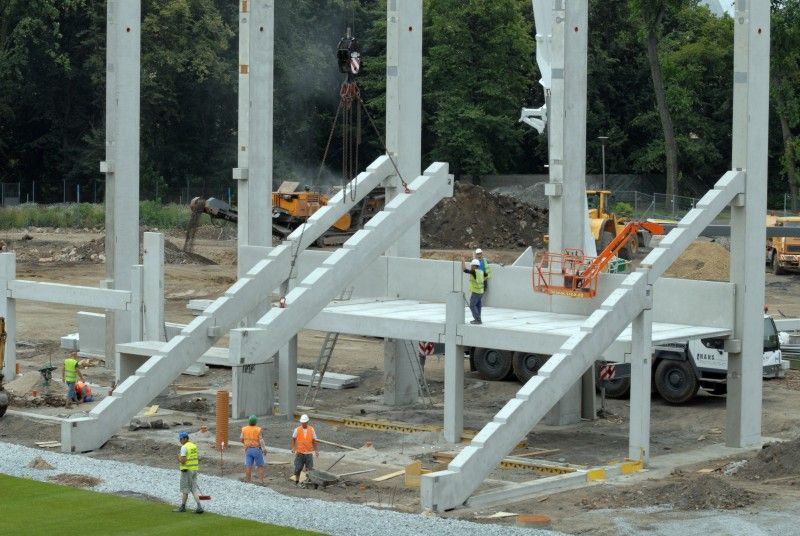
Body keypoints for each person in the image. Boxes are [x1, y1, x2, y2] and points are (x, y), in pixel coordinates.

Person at [174, 431, 204, 514]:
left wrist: (178, 457)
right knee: (193, 488)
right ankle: (198, 506)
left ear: (185, 438)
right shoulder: (193, 445)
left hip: (186, 470)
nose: (180, 441)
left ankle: (183, 507)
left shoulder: (184, 447)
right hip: (194, 469)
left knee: (185, 489)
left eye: (180, 439)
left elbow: (183, 461)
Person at [291, 414, 319, 486]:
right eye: (302, 423)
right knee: (298, 468)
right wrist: (293, 447)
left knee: (309, 469)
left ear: (307, 422)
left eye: (304, 422)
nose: (303, 424)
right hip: (300, 452)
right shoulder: (297, 429)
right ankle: (297, 481)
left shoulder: (311, 429)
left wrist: (316, 450)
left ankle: (308, 482)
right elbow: (293, 438)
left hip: (308, 453)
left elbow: (314, 441)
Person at [240, 415, 267, 484]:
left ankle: (248, 481)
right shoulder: (258, 429)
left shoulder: (244, 429)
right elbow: (261, 440)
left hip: (248, 449)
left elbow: (241, 439)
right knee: (260, 466)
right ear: (256, 422)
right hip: (257, 449)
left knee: (248, 465)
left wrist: (246, 444)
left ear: (249, 421)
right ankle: (261, 481)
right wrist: (264, 449)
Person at [461, 258, 485, 324]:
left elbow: (464, 270)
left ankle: (477, 320)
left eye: (472, 265)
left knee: (472, 305)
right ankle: (478, 319)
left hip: (476, 292)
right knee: (478, 305)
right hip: (481, 291)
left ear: (474, 266)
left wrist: (463, 261)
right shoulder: (481, 272)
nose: (471, 267)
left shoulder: (474, 272)